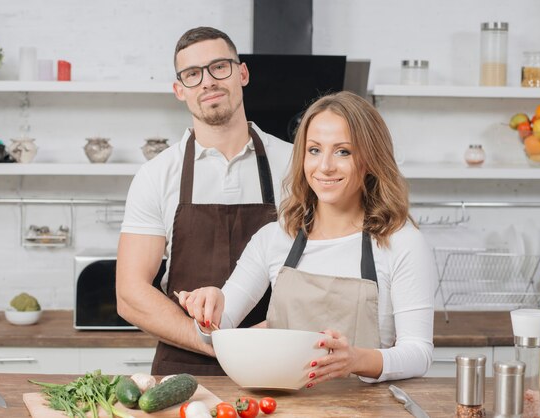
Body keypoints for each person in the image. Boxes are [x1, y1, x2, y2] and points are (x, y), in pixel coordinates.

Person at [178, 91, 437, 385]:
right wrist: (210, 308)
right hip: (285, 408)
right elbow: (219, 330)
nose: (324, 166)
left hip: (368, 409)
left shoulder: (401, 243)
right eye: (314, 150)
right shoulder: (274, 238)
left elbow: (418, 353)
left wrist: (356, 360)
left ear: (369, 159)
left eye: (343, 151)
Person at [116, 26, 292, 376]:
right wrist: (213, 343)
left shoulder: (295, 165)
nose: (207, 81)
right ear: (179, 90)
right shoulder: (156, 175)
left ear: (242, 73)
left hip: (277, 357)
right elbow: (129, 293)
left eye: (219, 67)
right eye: (193, 75)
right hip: (183, 365)